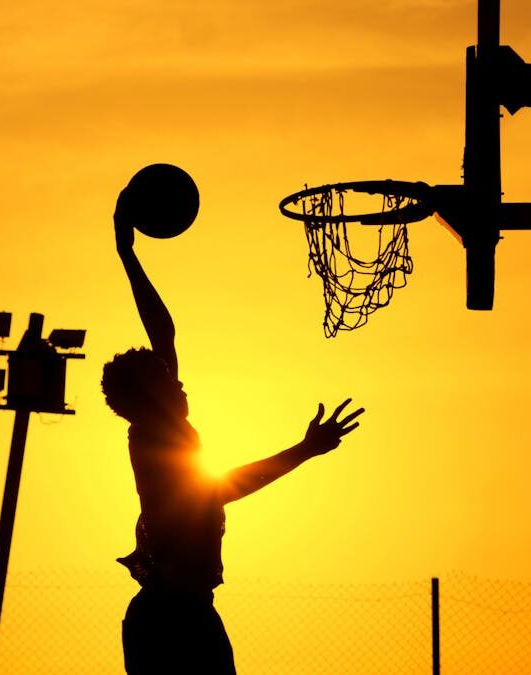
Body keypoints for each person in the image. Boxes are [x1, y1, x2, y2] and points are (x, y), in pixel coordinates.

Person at [102, 194, 365, 675]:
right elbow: (225, 487)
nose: (178, 379)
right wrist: (304, 451)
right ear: (149, 397)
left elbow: (164, 332)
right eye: (167, 378)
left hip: (182, 610)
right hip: (171, 621)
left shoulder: (165, 425)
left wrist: (129, 255)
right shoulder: (154, 441)